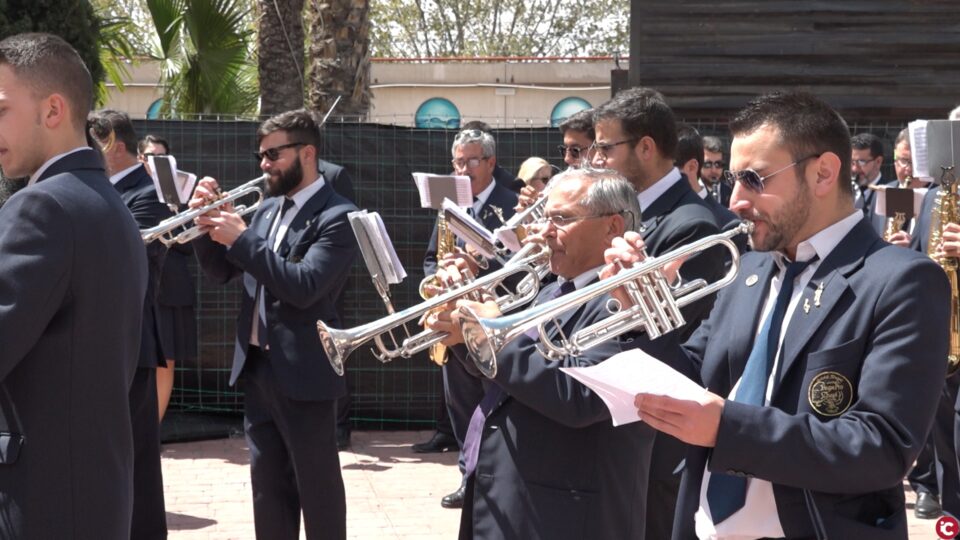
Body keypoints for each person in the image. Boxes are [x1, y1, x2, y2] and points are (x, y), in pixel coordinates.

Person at [607, 91, 949, 539]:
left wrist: (730, 427)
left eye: (754, 179)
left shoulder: (902, 280)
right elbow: (691, 374)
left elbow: (881, 447)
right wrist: (639, 311)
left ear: (824, 172)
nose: (736, 201)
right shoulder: (749, 268)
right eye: (733, 180)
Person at [427, 168, 666, 539]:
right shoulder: (549, 290)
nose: (543, 231)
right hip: (513, 501)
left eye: (561, 219)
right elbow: (509, 380)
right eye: (545, 217)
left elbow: (579, 398)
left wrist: (494, 337)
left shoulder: (625, 302)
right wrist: (462, 335)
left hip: (566, 517)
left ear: (612, 227)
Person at [0, 33, 148, 539]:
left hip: (40, 502)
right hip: (90, 494)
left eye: (1, 108)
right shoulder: (103, 202)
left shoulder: (42, 207)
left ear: (53, 109)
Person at [190, 108, 358, 540]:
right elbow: (221, 272)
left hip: (305, 372)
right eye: (260, 155)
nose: (263, 165)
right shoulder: (266, 211)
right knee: (268, 490)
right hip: (259, 369)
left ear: (307, 152)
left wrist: (242, 237)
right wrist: (206, 224)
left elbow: (304, 287)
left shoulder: (337, 216)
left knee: (317, 490)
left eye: (273, 155)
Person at [592, 86, 726, 540]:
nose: (597, 160)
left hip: (659, 443)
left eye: (606, 147)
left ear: (646, 148)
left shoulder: (691, 223)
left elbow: (684, 351)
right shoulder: (632, 212)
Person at [417, 128, 519, 508]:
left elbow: (522, 265)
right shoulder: (450, 205)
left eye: (471, 161)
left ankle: (490, 477)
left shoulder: (511, 205)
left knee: (489, 404)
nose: (462, 169)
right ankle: (468, 476)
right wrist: (438, 277)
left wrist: (481, 266)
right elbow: (431, 256)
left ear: (491, 162)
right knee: (459, 403)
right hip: (452, 319)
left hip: (493, 320)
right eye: (457, 161)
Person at [88, 110, 171, 540]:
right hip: (105, 340)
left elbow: (133, 258)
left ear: (113, 143)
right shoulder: (106, 188)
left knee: (138, 459)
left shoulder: (146, 193)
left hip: (133, 340)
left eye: (92, 142)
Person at [137, 134, 199, 423]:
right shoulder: (131, 189)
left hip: (171, 286)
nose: (155, 162)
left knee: (166, 361)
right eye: (150, 157)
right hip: (139, 285)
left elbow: (189, 244)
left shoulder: (182, 191)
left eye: (161, 157)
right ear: (140, 159)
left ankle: (154, 428)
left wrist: (181, 207)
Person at [851, 132, 887, 216]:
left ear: (878, 162)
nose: (854, 168)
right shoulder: (844, 190)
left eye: (862, 162)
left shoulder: (887, 194)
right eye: (852, 162)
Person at [702, 135, 732, 207]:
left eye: (718, 164)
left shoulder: (731, 192)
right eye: (708, 164)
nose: (713, 170)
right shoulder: (691, 191)